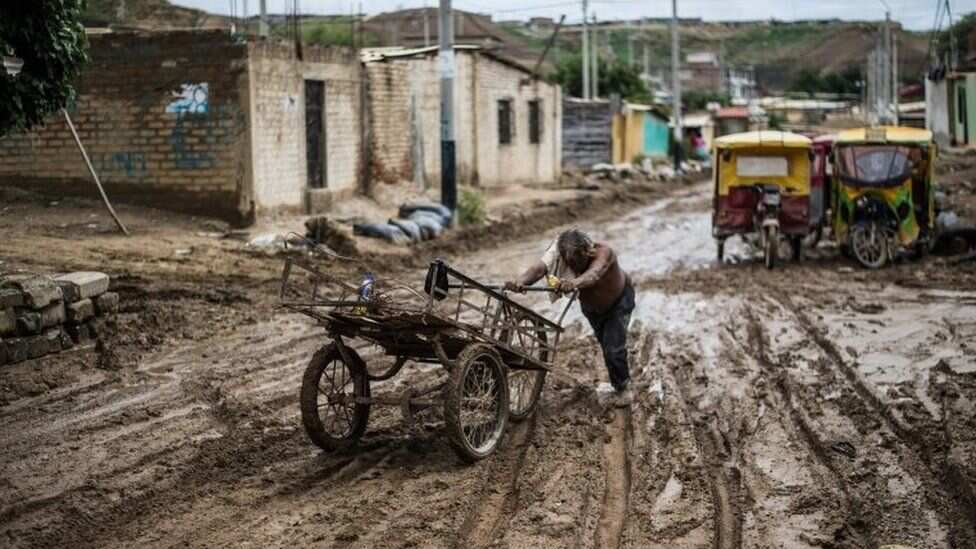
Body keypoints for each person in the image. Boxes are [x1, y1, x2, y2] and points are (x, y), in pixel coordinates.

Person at [506, 229, 635, 407]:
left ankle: (623, 389)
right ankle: (617, 382)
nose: (573, 267)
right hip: (592, 308)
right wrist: (521, 281)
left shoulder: (604, 252)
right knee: (607, 345)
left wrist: (572, 283)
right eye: (569, 263)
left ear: (587, 251)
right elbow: (539, 269)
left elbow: (594, 274)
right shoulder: (558, 252)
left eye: (577, 261)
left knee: (614, 348)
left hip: (619, 302)